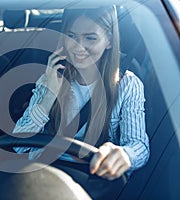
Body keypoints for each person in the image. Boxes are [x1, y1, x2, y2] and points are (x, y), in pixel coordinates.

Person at [12, 5, 150, 197]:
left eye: (90, 38)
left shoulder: (128, 84)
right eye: (71, 36)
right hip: (41, 176)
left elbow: (138, 145)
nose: (77, 47)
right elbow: (19, 144)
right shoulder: (52, 75)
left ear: (109, 40)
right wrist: (49, 95)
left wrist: (124, 155)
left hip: (91, 180)